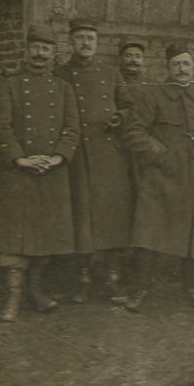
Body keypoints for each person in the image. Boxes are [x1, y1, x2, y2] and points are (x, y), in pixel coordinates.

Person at [0, 26, 80, 322]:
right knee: (15, 238)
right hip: (18, 173)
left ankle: (35, 293)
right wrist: (20, 158)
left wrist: (56, 158)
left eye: (46, 49)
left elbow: (72, 129)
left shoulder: (63, 89)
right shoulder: (7, 85)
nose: (40, 54)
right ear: (26, 50)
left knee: (45, 237)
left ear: (54, 54)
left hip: (51, 173)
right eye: (35, 48)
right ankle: (12, 298)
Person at [122, 43, 194, 311]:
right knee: (149, 236)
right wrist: (161, 155)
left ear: (193, 68)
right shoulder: (152, 96)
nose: (182, 69)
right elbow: (133, 132)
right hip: (162, 178)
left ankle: (192, 291)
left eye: (186, 64)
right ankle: (140, 291)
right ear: (168, 68)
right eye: (177, 64)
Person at [56, 20, 135, 305]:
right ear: (71, 42)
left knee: (111, 216)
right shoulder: (61, 73)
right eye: (80, 38)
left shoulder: (110, 73)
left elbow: (128, 105)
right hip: (77, 155)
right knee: (82, 217)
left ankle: (112, 279)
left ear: (97, 42)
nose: (86, 43)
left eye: (90, 38)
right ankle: (83, 279)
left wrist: (120, 118)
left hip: (109, 155)